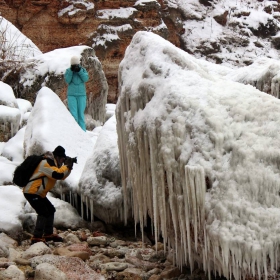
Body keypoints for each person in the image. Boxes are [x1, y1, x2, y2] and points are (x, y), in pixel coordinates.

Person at [23, 146, 73, 244]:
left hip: (38, 193)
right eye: (62, 159)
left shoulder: (52, 163)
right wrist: (67, 166)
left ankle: (48, 234)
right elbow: (57, 174)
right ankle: (36, 237)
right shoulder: (45, 163)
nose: (63, 161)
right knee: (43, 212)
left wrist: (68, 167)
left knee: (50, 210)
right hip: (32, 192)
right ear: (57, 157)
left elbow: (61, 176)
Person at [64, 55, 89, 131]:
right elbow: (67, 80)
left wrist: (79, 71)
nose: (75, 66)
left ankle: (83, 132)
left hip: (81, 95)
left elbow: (86, 78)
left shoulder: (83, 70)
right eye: (73, 65)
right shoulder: (68, 71)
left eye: (76, 65)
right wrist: (71, 71)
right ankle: (74, 132)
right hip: (71, 95)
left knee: (81, 114)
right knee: (74, 114)